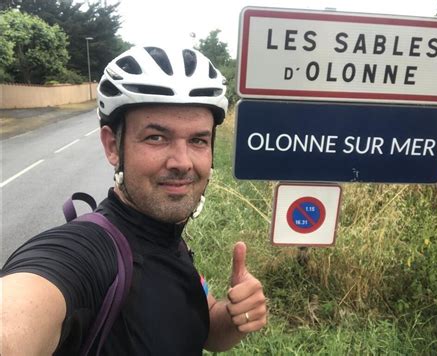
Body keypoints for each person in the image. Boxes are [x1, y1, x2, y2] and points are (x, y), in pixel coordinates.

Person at [1, 45, 267, 355]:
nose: (182, 162)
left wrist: (234, 317)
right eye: (156, 137)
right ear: (113, 145)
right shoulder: (84, 253)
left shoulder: (169, 238)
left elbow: (203, 328)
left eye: (197, 140)